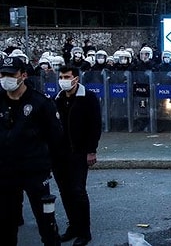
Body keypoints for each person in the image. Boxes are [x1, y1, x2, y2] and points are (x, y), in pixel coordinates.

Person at [0, 56, 63, 246]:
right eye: (3, 74)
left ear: (23, 75)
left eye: (11, 74)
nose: (6, 78)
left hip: (35, 172)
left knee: (46, 221)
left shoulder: (40, 102)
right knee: (6, 222)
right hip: (5, 173)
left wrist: (48, 164)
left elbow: (55, 137)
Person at [53, 65, 102, 246]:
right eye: (61, 77)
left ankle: (84, 231)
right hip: (59, 153)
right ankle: (72, 226)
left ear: (76, 79)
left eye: (67, 77)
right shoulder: (57, 99)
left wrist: (91, 150)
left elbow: (95, 126)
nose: (63, 80)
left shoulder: (88, 98)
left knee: (78, 191)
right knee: (65, 192)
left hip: (79, 152)